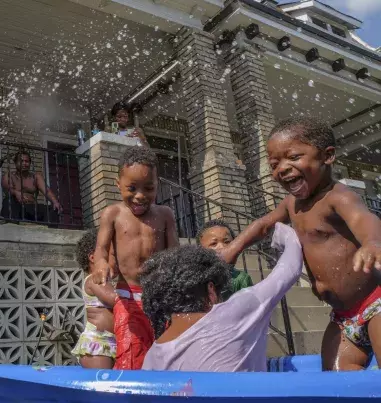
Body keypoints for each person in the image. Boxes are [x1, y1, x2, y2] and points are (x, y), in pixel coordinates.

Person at [220, 117, 381, 371]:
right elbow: (264, 225)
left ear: (327, 156)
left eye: (293, 157)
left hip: (376, 304)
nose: (282, 168)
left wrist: (372, 243)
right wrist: (232, 249)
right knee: (337, 378)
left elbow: (364, 218)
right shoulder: (291, 204)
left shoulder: (338, 197)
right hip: (342, 318)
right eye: (274, 164)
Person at [141, 223, 303, 372]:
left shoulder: (152, 358)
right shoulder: (236, 315)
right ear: (211, 290)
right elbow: (290, 268)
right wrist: (283, 231)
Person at [93, 146, 178, 370]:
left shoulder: (165, 215)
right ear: (118, 184)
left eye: (148, 188)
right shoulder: (112, 214)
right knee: (132, 353)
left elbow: (173, 254)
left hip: (159, 298)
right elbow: (101, 249)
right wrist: (101, 263)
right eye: (132, 188)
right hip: (127, 298)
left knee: (163, 353)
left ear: (157, 185)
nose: (140, 196)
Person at [71, 229, 118, 369]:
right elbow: (114, 300)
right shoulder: (93, 280)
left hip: (111, 341)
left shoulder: (108, 282)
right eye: (111, 255)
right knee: (102, 386)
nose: (116, 259)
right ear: (93, 258)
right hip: (97, 342)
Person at [1, 151, 62, 225]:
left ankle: (50, 233)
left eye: (27, 161)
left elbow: (47, 191)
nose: (24, 164)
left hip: (32, 208)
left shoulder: (36, 177)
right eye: (21, 161)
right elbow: (7, 189)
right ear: (15, 163)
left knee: (53, 209)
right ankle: (12, 227)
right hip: (17, 208)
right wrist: (16, 193)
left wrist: (55, 201)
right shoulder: (9, 176)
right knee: (8, 201)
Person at [198, 219, 253, 299]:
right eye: (214, 244)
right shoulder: (196, 278)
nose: (222, 247)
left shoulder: (240, 279)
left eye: (227, 242)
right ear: (200, 250)